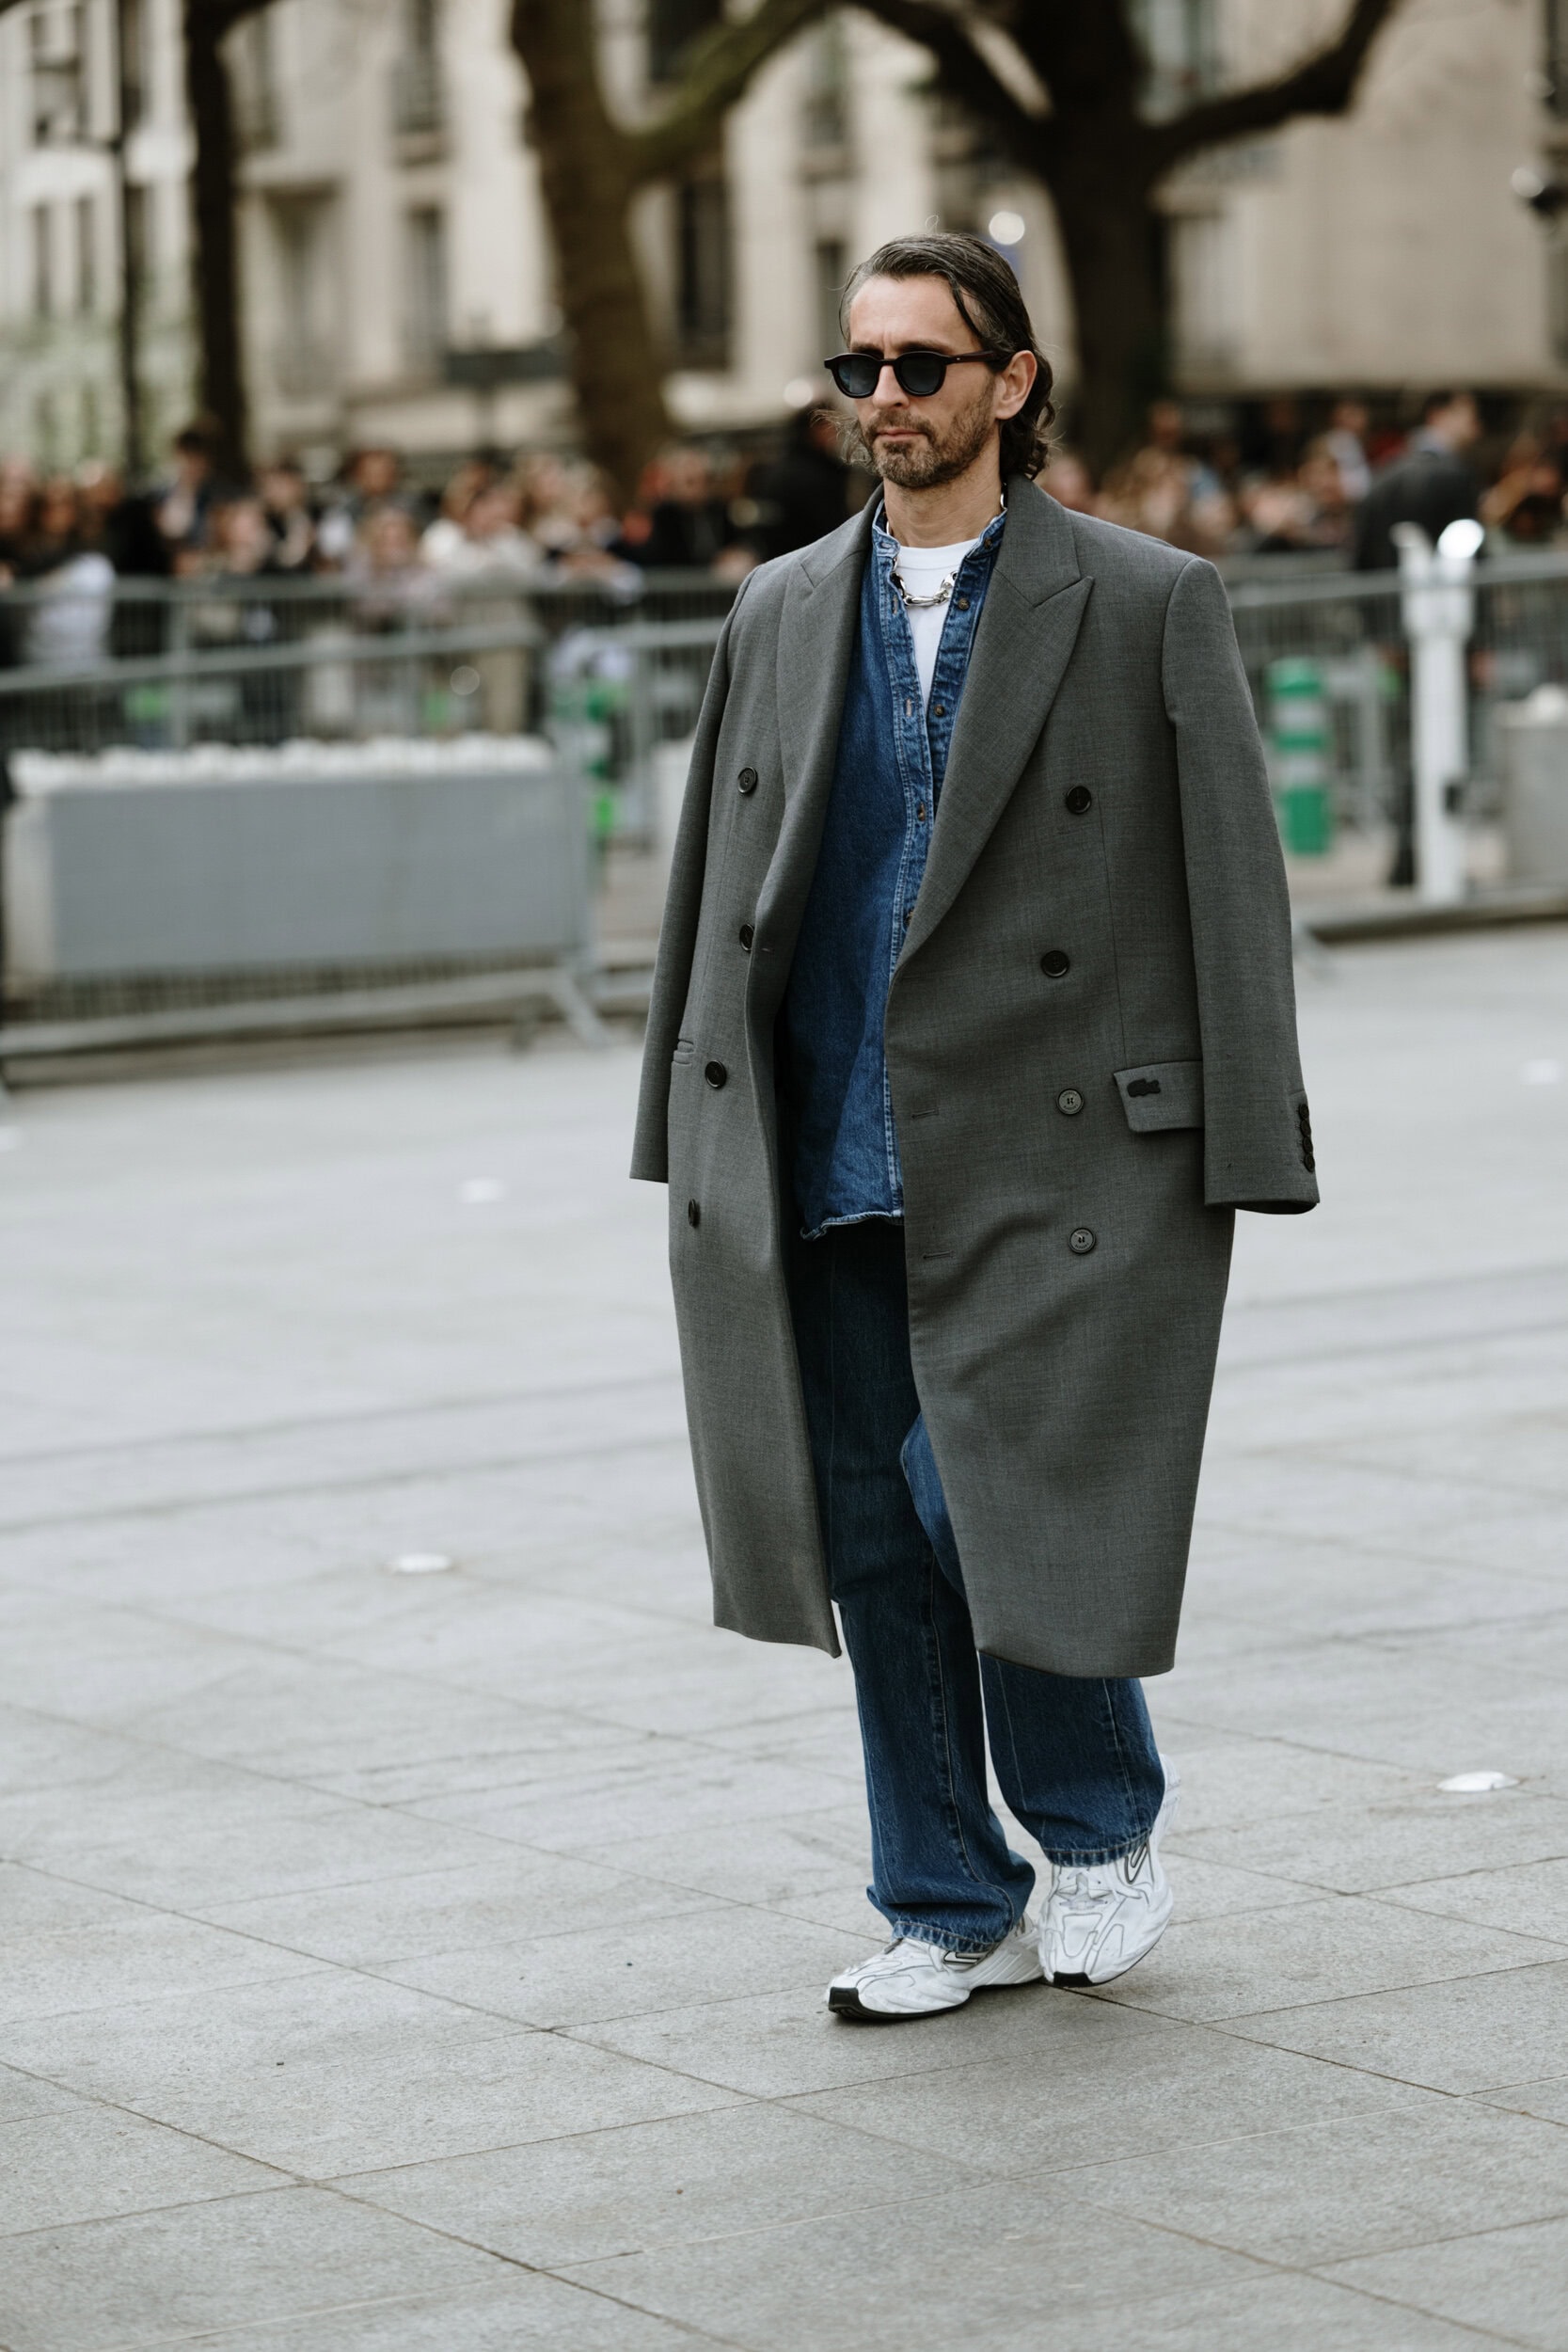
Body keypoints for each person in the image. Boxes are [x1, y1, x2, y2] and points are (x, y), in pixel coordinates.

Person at [633, 231, 1317, 2024]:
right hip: (831, 1135)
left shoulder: (1146, 595)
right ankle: (944, 1896)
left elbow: (1232, 885)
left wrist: (1254, 1135)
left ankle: (1097, 1834)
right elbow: (719, 891)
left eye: (917, 368)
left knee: (985, 1503)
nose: (879, 402)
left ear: (1008, 381)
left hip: (1062, 1143)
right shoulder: (778, 606)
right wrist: (684, 1130)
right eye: (855, 368)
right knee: (868, 1524)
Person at [1354, 389, 1481, 571]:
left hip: (1391, 585)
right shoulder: (1455, 474)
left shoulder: (1385, 472)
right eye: (1470, 418)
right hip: (1441, 590)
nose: (1476, 429)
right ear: (1438, 415)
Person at [746, 403, 857, 562]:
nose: (836, 432)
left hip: (784, 563)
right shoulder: (814, 475)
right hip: (816, 562)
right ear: (815, 430)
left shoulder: (778, 469)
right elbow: (831, 529)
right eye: (832, 426)